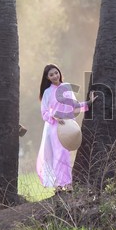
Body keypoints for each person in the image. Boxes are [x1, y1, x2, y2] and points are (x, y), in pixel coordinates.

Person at [36, 64, 95, 194]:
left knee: (65, 154)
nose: (55, 76)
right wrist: (54, 116)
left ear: (59, 73)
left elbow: (74, 106)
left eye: (56, 73)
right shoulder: (47, 92)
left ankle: (67, 184)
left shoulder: (67, 87)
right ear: (47, 78)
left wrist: (88, 104)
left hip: (69, 126)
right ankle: (59, 185)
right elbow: (44, 113)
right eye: (51, 75)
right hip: (55, 127)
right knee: (59, 154)